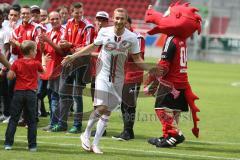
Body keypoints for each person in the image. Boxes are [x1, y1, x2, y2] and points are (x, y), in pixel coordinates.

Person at [62, 8, 162, 154]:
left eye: (122, 18)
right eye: (117, 18)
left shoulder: (132, 38)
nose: (119, 21)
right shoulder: (104, 31)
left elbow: (137, 59)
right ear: (113, 19)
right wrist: (73, 56)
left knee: (107, 112)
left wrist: (150, 68)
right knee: (101, 108)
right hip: (102, 74)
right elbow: (92, 47)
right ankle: (86, 133)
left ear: (126, 19)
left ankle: (95, 143)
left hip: (119, 78)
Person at [144, 4, 202, 148]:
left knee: (160, 109)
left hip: (170, 82)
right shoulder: (182, 40)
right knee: (174, 110)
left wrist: (151, 81)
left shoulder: (171, 39)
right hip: (181, 81)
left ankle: (175, 134)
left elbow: (164, 66)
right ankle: (167, 137)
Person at [53, 2, 95, 133]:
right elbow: (63, 43)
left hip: (81, 62)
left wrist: (70, 44)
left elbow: (86, 48)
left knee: (77, 95)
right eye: (76, 12)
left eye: (81, 12)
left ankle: (77, 125)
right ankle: (62, 123)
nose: (79, 14)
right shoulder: (69, 24)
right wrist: (64, 44)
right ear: (71, 12)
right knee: (64, 92)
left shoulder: (88, 26)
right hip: (68, 61)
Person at [4, 40, 46, 151]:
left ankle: (8, 144)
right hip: (31, 93)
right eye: (35, 50)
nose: (36, 52)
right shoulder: (36, 62)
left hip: (18, 93)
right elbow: (43, 72)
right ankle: (32, 146)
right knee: (31, 121)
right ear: (31, 51)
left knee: (14, 119)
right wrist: (44, 60)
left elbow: (10, 77)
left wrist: (12, 71)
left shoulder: (17, 62)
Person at [112, 17, 145, 141]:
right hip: (121, 75)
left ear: (129, 24)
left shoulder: (138, 37)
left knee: (129, 104)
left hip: (133, 75)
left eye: (124, 23)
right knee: (123, 105)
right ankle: (126, 131)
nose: (122, 24)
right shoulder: (118, 37)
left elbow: (138, 56)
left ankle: (128, 132)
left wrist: (120, 50)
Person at [39, 11, 65, 131]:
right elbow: (45, 52)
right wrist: (42, 44)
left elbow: (62, 52)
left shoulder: (64, 32)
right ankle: (53, 122)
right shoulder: (48, 33)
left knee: (60, 97)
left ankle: (61, 124)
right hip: (51, 69)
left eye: (56, 19)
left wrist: (48, 41)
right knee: (52, 97)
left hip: (61, 69)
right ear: (49, 20)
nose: (54, 21)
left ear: (60, 19)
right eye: (52, 19)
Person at [0, 9, 11, 123]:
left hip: (2, 65)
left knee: (4, 91)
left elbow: (8, 51)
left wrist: (4, 67)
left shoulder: (6, 31)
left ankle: (7, 114)